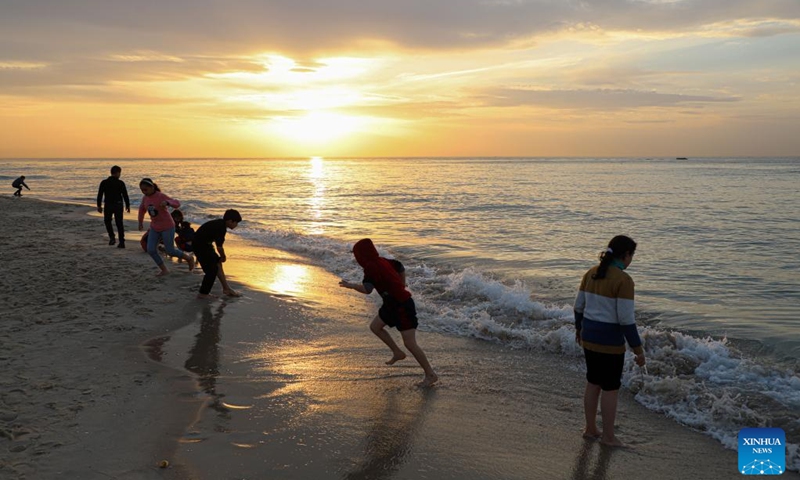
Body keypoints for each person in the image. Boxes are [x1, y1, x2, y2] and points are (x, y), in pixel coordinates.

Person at [573, 235, 645, 448]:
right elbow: (626, 321)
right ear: (626, 255)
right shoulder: (624, 280)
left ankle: (590, 429)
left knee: (593, 383)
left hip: (589, 338)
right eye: (632, 255)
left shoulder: (591, 273)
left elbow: (578, 307)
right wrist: (638, 349)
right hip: (610, 344)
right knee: (610, 388)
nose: (631, 260)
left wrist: (579, 329)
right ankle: (608, 437)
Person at [339, 238, 438, 387]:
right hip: (391, 304)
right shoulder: (382, 260)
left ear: (362, 255)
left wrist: (351, 286)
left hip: (402, 305)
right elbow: (399, 266)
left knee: (410, 343)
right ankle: (397, 353)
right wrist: (402, 284)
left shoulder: (371, 267)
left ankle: (430, 374)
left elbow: (367, 289)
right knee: (375, 327)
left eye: (357, 255)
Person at [137, 178, 195, 276]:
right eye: (142, 190)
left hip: (167, 226)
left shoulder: (160, 196)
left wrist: (167, 203)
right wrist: (140, 222)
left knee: (170, 251)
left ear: (152, 187)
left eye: (145, 189)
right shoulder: (145, 198)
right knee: (150, 249)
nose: (144, 192)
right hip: (155, 227)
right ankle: (164, 270)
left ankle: (189, 258)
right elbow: (142, 209)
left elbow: (177, 203)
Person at [193, 209, 243, 299]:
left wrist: (220, 258)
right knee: (211, 270)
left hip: (206, 245)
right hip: (200, 246)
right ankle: (203, 293)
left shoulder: (220, 224)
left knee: (217, 263)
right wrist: (223, 257)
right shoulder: (221, 228)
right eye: (236, 223)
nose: (236, 225)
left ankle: (226, 288)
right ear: (230, 221)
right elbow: (219, 247)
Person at [96, 165, 130, 248]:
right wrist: (128, 205)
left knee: (107, 221)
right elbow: (125, 195)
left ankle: (112, 237)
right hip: (118, 205)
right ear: (118, 173)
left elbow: (100, 195)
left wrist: (99, 205)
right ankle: (121, 242)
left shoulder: (104, 182)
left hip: (108, 204)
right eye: (120, 173)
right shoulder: (120, 183)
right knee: (119, 223)